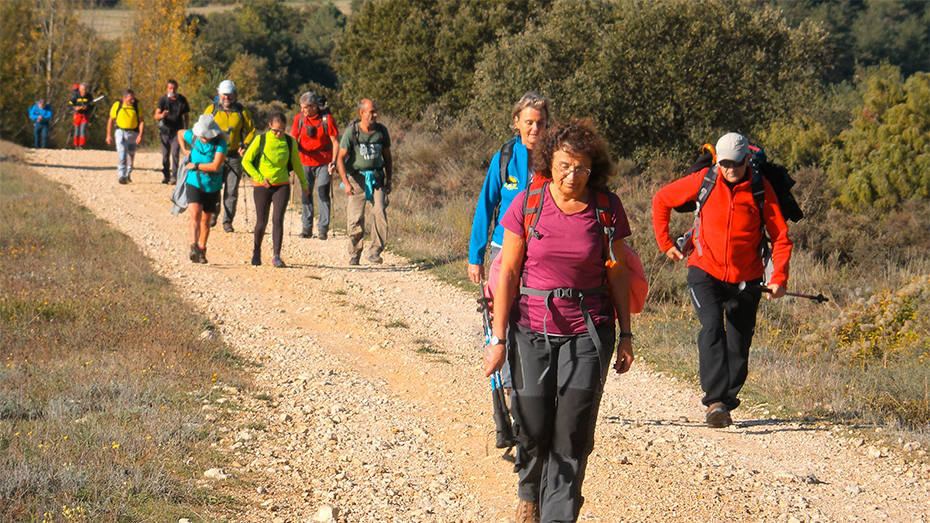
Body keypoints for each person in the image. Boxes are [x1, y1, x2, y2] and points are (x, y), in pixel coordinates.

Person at [483, 120, 634, 522]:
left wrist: (626, 334)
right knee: (532, 426)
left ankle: (558, 514)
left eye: (582, 167)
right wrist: (498, 339)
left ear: (593, 167)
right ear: (550, 160)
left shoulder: (606, 207)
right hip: (531, 329)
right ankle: (529, 492)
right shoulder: (528, 203)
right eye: (565, 164)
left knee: (572, 433)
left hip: (588, 331)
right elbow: (510, 274)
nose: (573, 175)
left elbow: (617, 272)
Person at [652, 131, 792, 428]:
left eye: (736, 164)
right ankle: (715, 401)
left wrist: (778, 277)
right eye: (724, 163)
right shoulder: (705, 180)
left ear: (747, 160)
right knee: (712, 326)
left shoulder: (760, 188)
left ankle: (726, 401)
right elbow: (662, 199)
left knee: (739, 341)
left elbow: (781, 237)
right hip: (704, 269)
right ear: (718, 160)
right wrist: (665, 243)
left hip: (748, 277)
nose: (730, 169)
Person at [467, 91, 549, 394]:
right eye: (529, 122)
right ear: (516, 122)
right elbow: (486, 205)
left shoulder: (554, 160)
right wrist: (475, 255)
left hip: (541, 251)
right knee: (501, 311)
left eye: (540, 123)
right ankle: (508, 382)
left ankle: (531, 382)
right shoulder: (505, 158)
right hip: (504, 247)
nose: (535, 129)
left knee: (531, 316)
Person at [242, 112, 309, 268]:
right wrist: (259, 177)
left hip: (282, 184)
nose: (278, 134)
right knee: (261, 221)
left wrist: (305, 185)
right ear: (269, 126)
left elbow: (297, 165)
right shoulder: (261, 140)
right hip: (262, 186)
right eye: (275, 130)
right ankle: (256, 251)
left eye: (282, 130)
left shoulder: (290, 142)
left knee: (278, 219)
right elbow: (246, 161)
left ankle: (276, 256)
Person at [336, 98, 392, 265]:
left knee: (379, 212)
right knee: (355, 218)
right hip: (356, 179)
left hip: (377, 178)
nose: (374, 115)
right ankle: (354, 253)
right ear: (362, 113)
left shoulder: (381, 131)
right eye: (371, 112)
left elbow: (388, 157)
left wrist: (389, 179)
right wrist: (345, 182)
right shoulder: (352, 132)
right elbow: (340, 158)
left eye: (375, 111)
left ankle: (375, 251)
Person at [204, 79, 255, 232]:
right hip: (215, 155)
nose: (227, 98)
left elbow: (251, 130)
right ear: (219, 94)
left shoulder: (242, 111)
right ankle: (213, 213)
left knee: (232, 190)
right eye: (224, 95)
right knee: (214, 187)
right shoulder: (211, 110)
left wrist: (245, 145)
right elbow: (202, 129)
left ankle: (227, 221)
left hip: (234, 156)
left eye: (230, 95)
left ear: (235, 94)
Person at [178, 114, 228, 264]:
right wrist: (184, 150)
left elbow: (215, 166)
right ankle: (193, 246)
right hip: (194, 182)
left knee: (206, 221)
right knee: (195, 215)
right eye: (202, 135)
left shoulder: (220, 144)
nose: (203, 138)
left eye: (206, 135)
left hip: (212, 186)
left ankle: (202, 249)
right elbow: (180, 133)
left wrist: (196, 165)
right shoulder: (193, 137)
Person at [292, 91, 339, 240]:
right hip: (304, 161)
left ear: (313, 107)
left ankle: (323, 229)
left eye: (305, 107)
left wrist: (334, 162)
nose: (302, 110)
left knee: (323, 192)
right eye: (301, 107)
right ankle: (306, 228)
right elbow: (293, 140)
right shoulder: (299, 119)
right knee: (306, 193)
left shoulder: (327, 120)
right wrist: (292, 159)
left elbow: (336, 142)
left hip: (324, 163)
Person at [154, 79, 191, 184]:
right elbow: (156, 115)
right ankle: (166, 175)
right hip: (165, 131)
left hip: (178, 132)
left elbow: (186, 116)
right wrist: (162, 115)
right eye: (170, 88)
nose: (172, 90)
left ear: (177, 88)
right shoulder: (163, 100)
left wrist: (186, 129)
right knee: (165, 156)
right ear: (167, 88)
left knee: (175, 153)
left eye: (174, 88)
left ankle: (174, 176)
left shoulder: (182, 100)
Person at [106, 89, 144, 185]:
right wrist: (108, 135)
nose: (133, 101)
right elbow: (110, 120)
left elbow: (141, 121)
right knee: (122, 153)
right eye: (130, 99)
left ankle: (127, 174)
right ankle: (121, 175)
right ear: (124, 98)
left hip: (133, 134)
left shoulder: (136, 106)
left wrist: (140, 135)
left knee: (130, 155)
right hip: (120, 131)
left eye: (133, 99)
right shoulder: (117, 105)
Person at [69, 83, 93, 149]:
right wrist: (75, 108)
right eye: (82, 89)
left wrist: (87, 107)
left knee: (83, 130)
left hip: (85, 115)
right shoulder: (75, 95)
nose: (84, 91)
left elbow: (92, 105)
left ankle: (81, 145)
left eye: (85, 89)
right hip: (77, 115)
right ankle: (76, 145)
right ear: (79, 89)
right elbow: (70, 103)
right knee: (76, 131)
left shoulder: (89, 96)